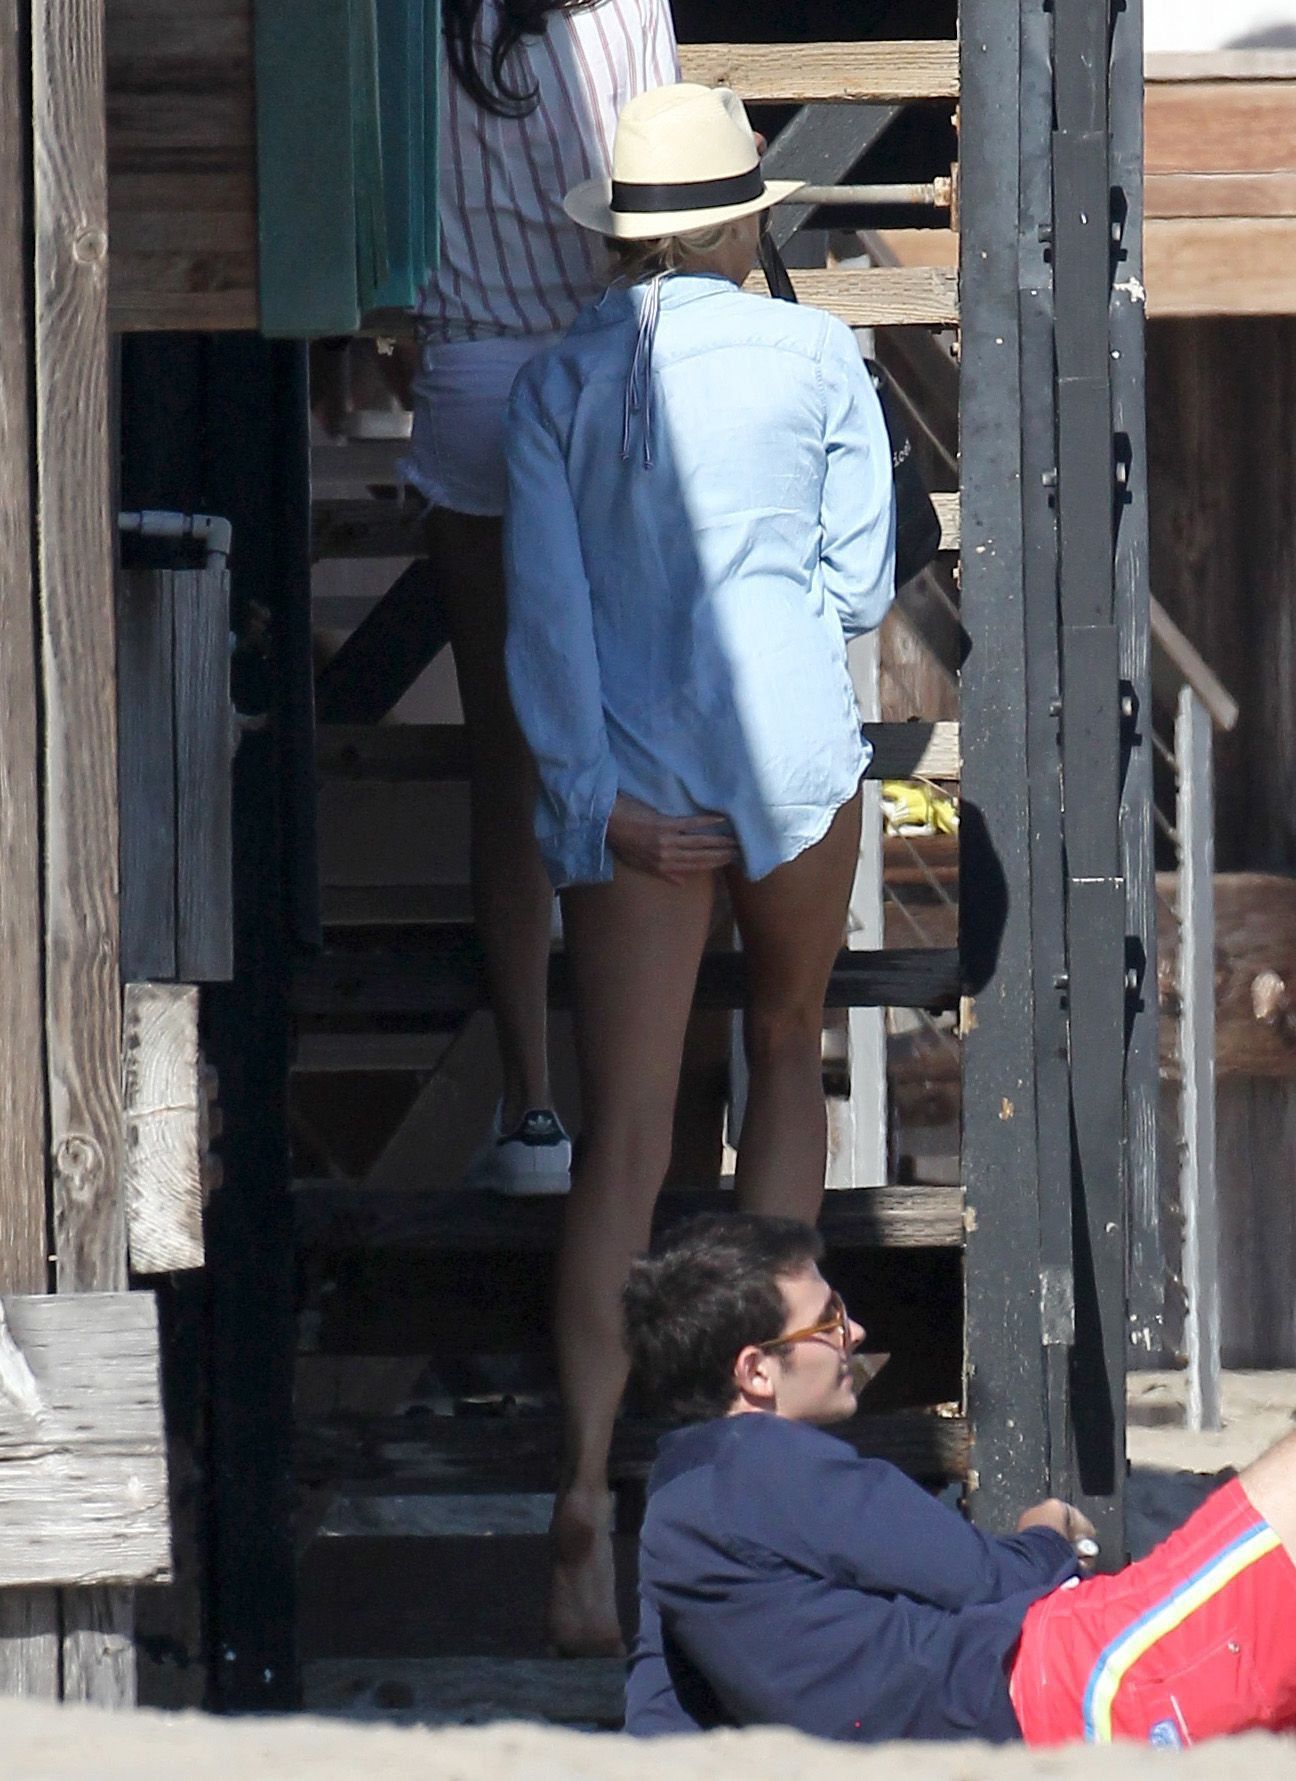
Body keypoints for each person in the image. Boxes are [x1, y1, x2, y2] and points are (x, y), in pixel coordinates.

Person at [503, 83, 897, 1654]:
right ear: (746, 221)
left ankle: (584, 1493)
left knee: (624, 1137)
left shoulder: (556, 380)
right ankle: (764, 1472)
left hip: (634, 787)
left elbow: (544, 618)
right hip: (786, 758)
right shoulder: (818, 355)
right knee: (785, 1049)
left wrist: (597, 806)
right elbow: (860, 582)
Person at [621, 1212, 1296, 1748]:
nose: (855, 1332)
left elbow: (660, 1718)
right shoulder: (770, 1462)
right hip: (1068, 1685)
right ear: (755, 1371)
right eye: (829, 1320)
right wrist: (1046, 1533)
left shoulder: (674, 1505)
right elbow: (984, 1578)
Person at [399, 0, 680, 1193]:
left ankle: (531, 1108)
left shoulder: (416, 19)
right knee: (634, 744)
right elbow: (661, 191)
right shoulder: (625, 10)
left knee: (506, 759)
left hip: (470, 376)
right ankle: (638, 1105)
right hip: (605, 370)